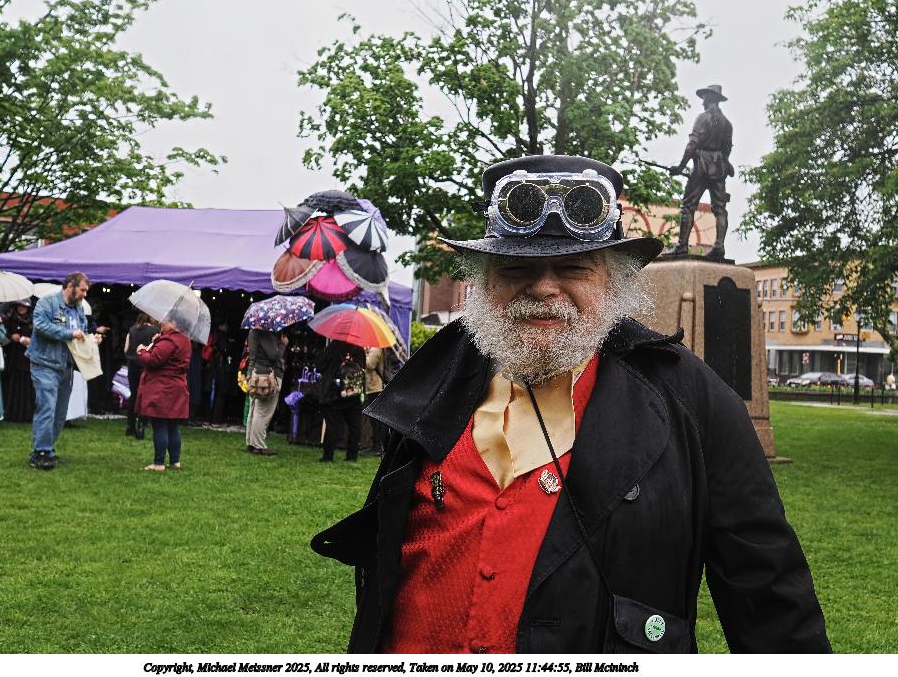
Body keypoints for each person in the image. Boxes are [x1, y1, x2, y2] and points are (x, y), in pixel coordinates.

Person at [312, 154, 830, 654]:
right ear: (484, 279)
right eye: (516, 268)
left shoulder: (695, 401)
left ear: (614, 280)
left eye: (573, 267)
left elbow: (771, 605)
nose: (543, 288)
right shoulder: (430, 382)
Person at [27, 272, 95, 471]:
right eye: (83, 290)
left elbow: (82, 331)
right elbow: (41, 326)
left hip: (66, 366)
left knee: (60, 412)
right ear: (70, 286)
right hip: (44, 364)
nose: (85, 294)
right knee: (47, 407)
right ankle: (40, 452)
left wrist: (90, 339)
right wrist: (69, 333)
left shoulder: (79, 308)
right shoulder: (46, 303)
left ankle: (47, 450)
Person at [668, 84, 735, 260]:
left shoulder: (702, 118)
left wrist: (680, 167)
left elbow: (692, 144)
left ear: (711, 98)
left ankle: (682, 246)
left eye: (705, 97)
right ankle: (719, 246)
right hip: (719, 168)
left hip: (701, 166)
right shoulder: (727, 124)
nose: (703, 101)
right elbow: (727, 149)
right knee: (720, 208)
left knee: (688, 205)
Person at [135, 318, 191, 471]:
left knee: (159, 424)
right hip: (176, 387)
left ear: (175, 323)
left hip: (163, 388)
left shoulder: (169, 341)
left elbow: (153, 361)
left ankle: (158, 463)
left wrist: (141, 351)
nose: (161, 323)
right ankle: (175, 461)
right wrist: (158, 341)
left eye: (166, 320)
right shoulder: (184, 340)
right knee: (172, 426)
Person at [314, 339, 365, 462]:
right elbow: (363, 366)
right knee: (355, 426)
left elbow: (319, 366)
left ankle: (328, 456)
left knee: (332, 425)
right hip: (353, 392)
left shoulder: (334, 346)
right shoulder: (358, 348)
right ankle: (352, 456)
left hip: (334, 393)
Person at [244, 328, 286, 456]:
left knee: (254, 410)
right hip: (267, 376)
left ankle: (251, 442)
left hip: (256, 373)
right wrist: (283, 345)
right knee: (263, 411)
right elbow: (274, 355)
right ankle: (258, 445)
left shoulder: (253, 331)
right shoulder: (266, 333)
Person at [124, 313, 159, 439]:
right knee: (145, 396)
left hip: (132, 364)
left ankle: (130, 425)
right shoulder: (155, 331)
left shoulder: (132, 329)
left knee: (133, 395)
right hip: (146, 366)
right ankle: (141, 425)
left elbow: (126, 349)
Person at [2, 299, 35, 422]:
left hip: (28, 357)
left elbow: (38, 337)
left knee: (27, 384)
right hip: (13, 357)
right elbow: (2, 336)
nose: (21, 308)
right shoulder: (9, 319)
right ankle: (12, 412)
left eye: (24, 306)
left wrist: (30, 340)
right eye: (19, 306)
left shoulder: (33, 321)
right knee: (13, 383)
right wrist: (11, 337)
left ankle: (27, 413)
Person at [361, 346, 386, 456]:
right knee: (373, 420)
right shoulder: (372, 349)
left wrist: (363, 354)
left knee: (376, 421)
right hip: (372, 388)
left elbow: (370, 365)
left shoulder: (375, 349)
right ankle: (376, 446)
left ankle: (378, 448)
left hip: (376, 388)